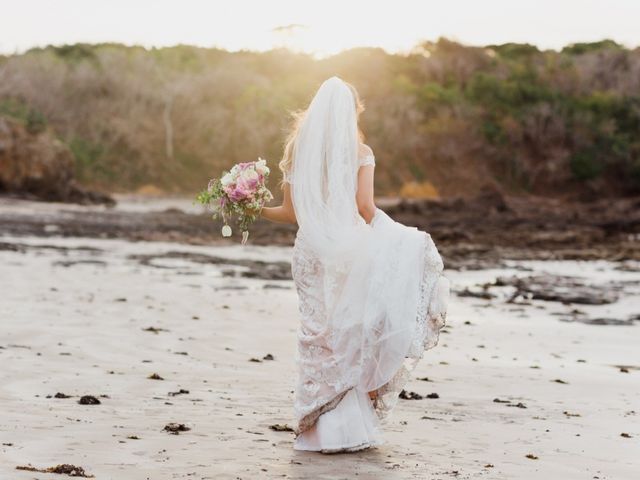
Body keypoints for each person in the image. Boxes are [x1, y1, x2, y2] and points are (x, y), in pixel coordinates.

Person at [258, 77, 449, 453]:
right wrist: (399, 237)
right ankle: (347, 429)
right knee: (346, 333)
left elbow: (291, 212)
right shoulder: (361, 152)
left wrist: (253, 209)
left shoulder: (299, 149)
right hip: (348, 252)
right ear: (352, 111)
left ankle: (316, 430)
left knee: (316, 334)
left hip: (311, 251)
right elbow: (365, 207)